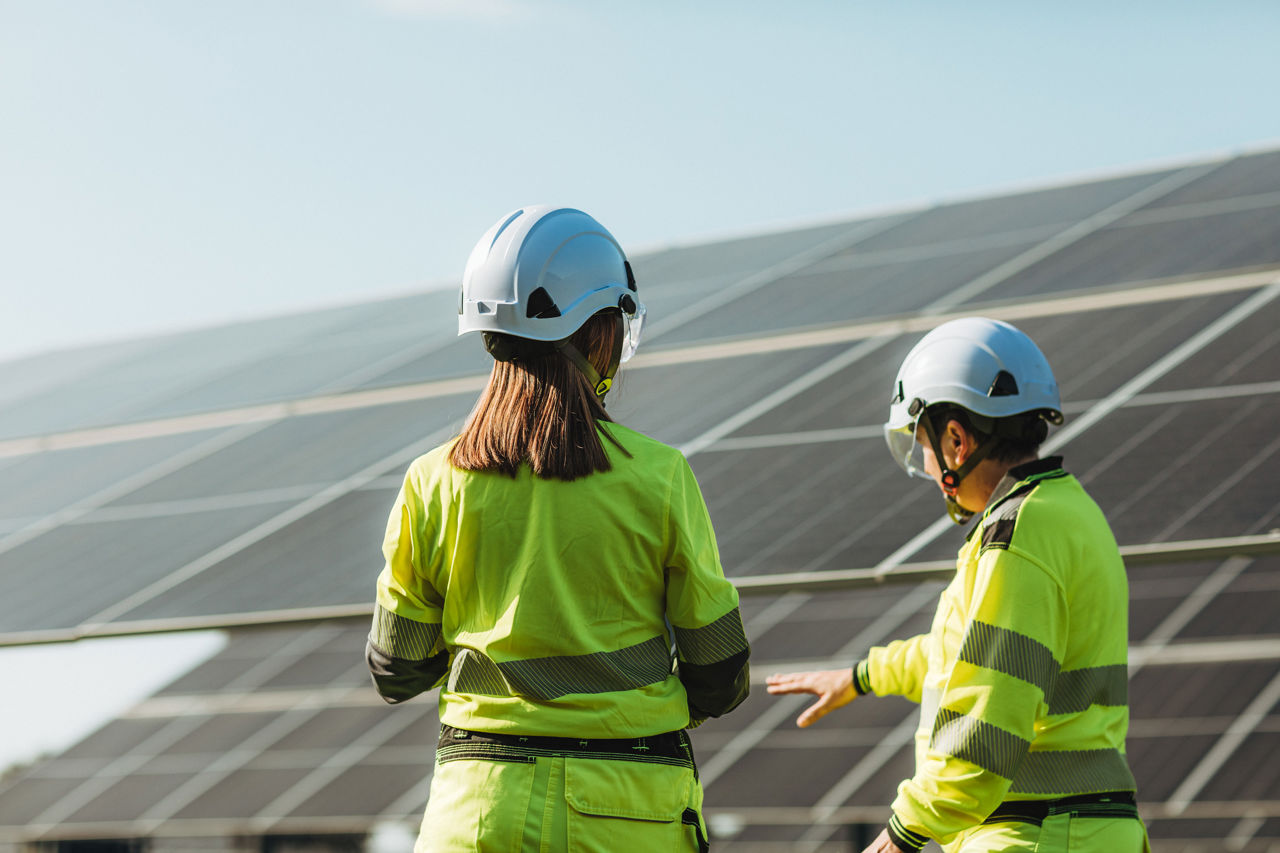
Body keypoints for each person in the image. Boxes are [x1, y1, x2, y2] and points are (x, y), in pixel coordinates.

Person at [366, 205, 750, 852]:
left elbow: (395, 669)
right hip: (628, 810)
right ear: (596, 330)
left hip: (478, 812)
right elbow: (719, 669)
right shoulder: (659, 476)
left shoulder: (431, 481)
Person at [767, 318, 1148, 853]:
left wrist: (903, 832)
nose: (926, 465)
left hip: (1030, 835)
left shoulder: (1015, 536)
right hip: (1086, 832)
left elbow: (988, 712)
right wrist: (862, 676)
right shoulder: (1071, 512)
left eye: (923, 445)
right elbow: (971, 652)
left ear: (956, 439)